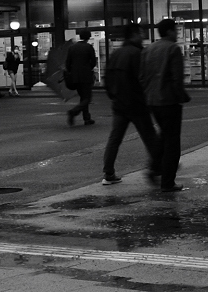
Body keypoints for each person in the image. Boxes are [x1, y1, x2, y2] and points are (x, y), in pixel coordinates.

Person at [101, 22, 162, 186]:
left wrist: (113, 95)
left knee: (115, 139)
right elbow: (143, 79)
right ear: (134, 34)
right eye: (140, 33)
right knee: (150, 136)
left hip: (119, 104)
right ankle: (159, 166)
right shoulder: (138, 54)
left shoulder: (116, 54)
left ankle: (108, 173)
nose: (142, 37)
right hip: (136, 103)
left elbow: (107, 78)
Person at [141, 18, 191, 193]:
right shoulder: (173, 49)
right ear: (169, 31)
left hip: (152, 100)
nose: (177, 33)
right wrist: (182, 96)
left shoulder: (149, 49)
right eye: (175, 30)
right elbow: (176, 78)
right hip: (169, 100)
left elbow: (142, 76)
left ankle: (154, 168)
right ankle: (168, 182)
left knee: (164, 136)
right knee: (172, 142)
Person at [65, 29, 97, 126]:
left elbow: (68, 63)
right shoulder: (89, 47)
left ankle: (87, 118)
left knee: (83, 97)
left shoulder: (72, 48)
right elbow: (93, 62)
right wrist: (88, 68)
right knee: (87, 98)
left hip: (75, 77)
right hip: (86, 76)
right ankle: (73, 112)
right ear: (88, 37)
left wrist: (72, 71)